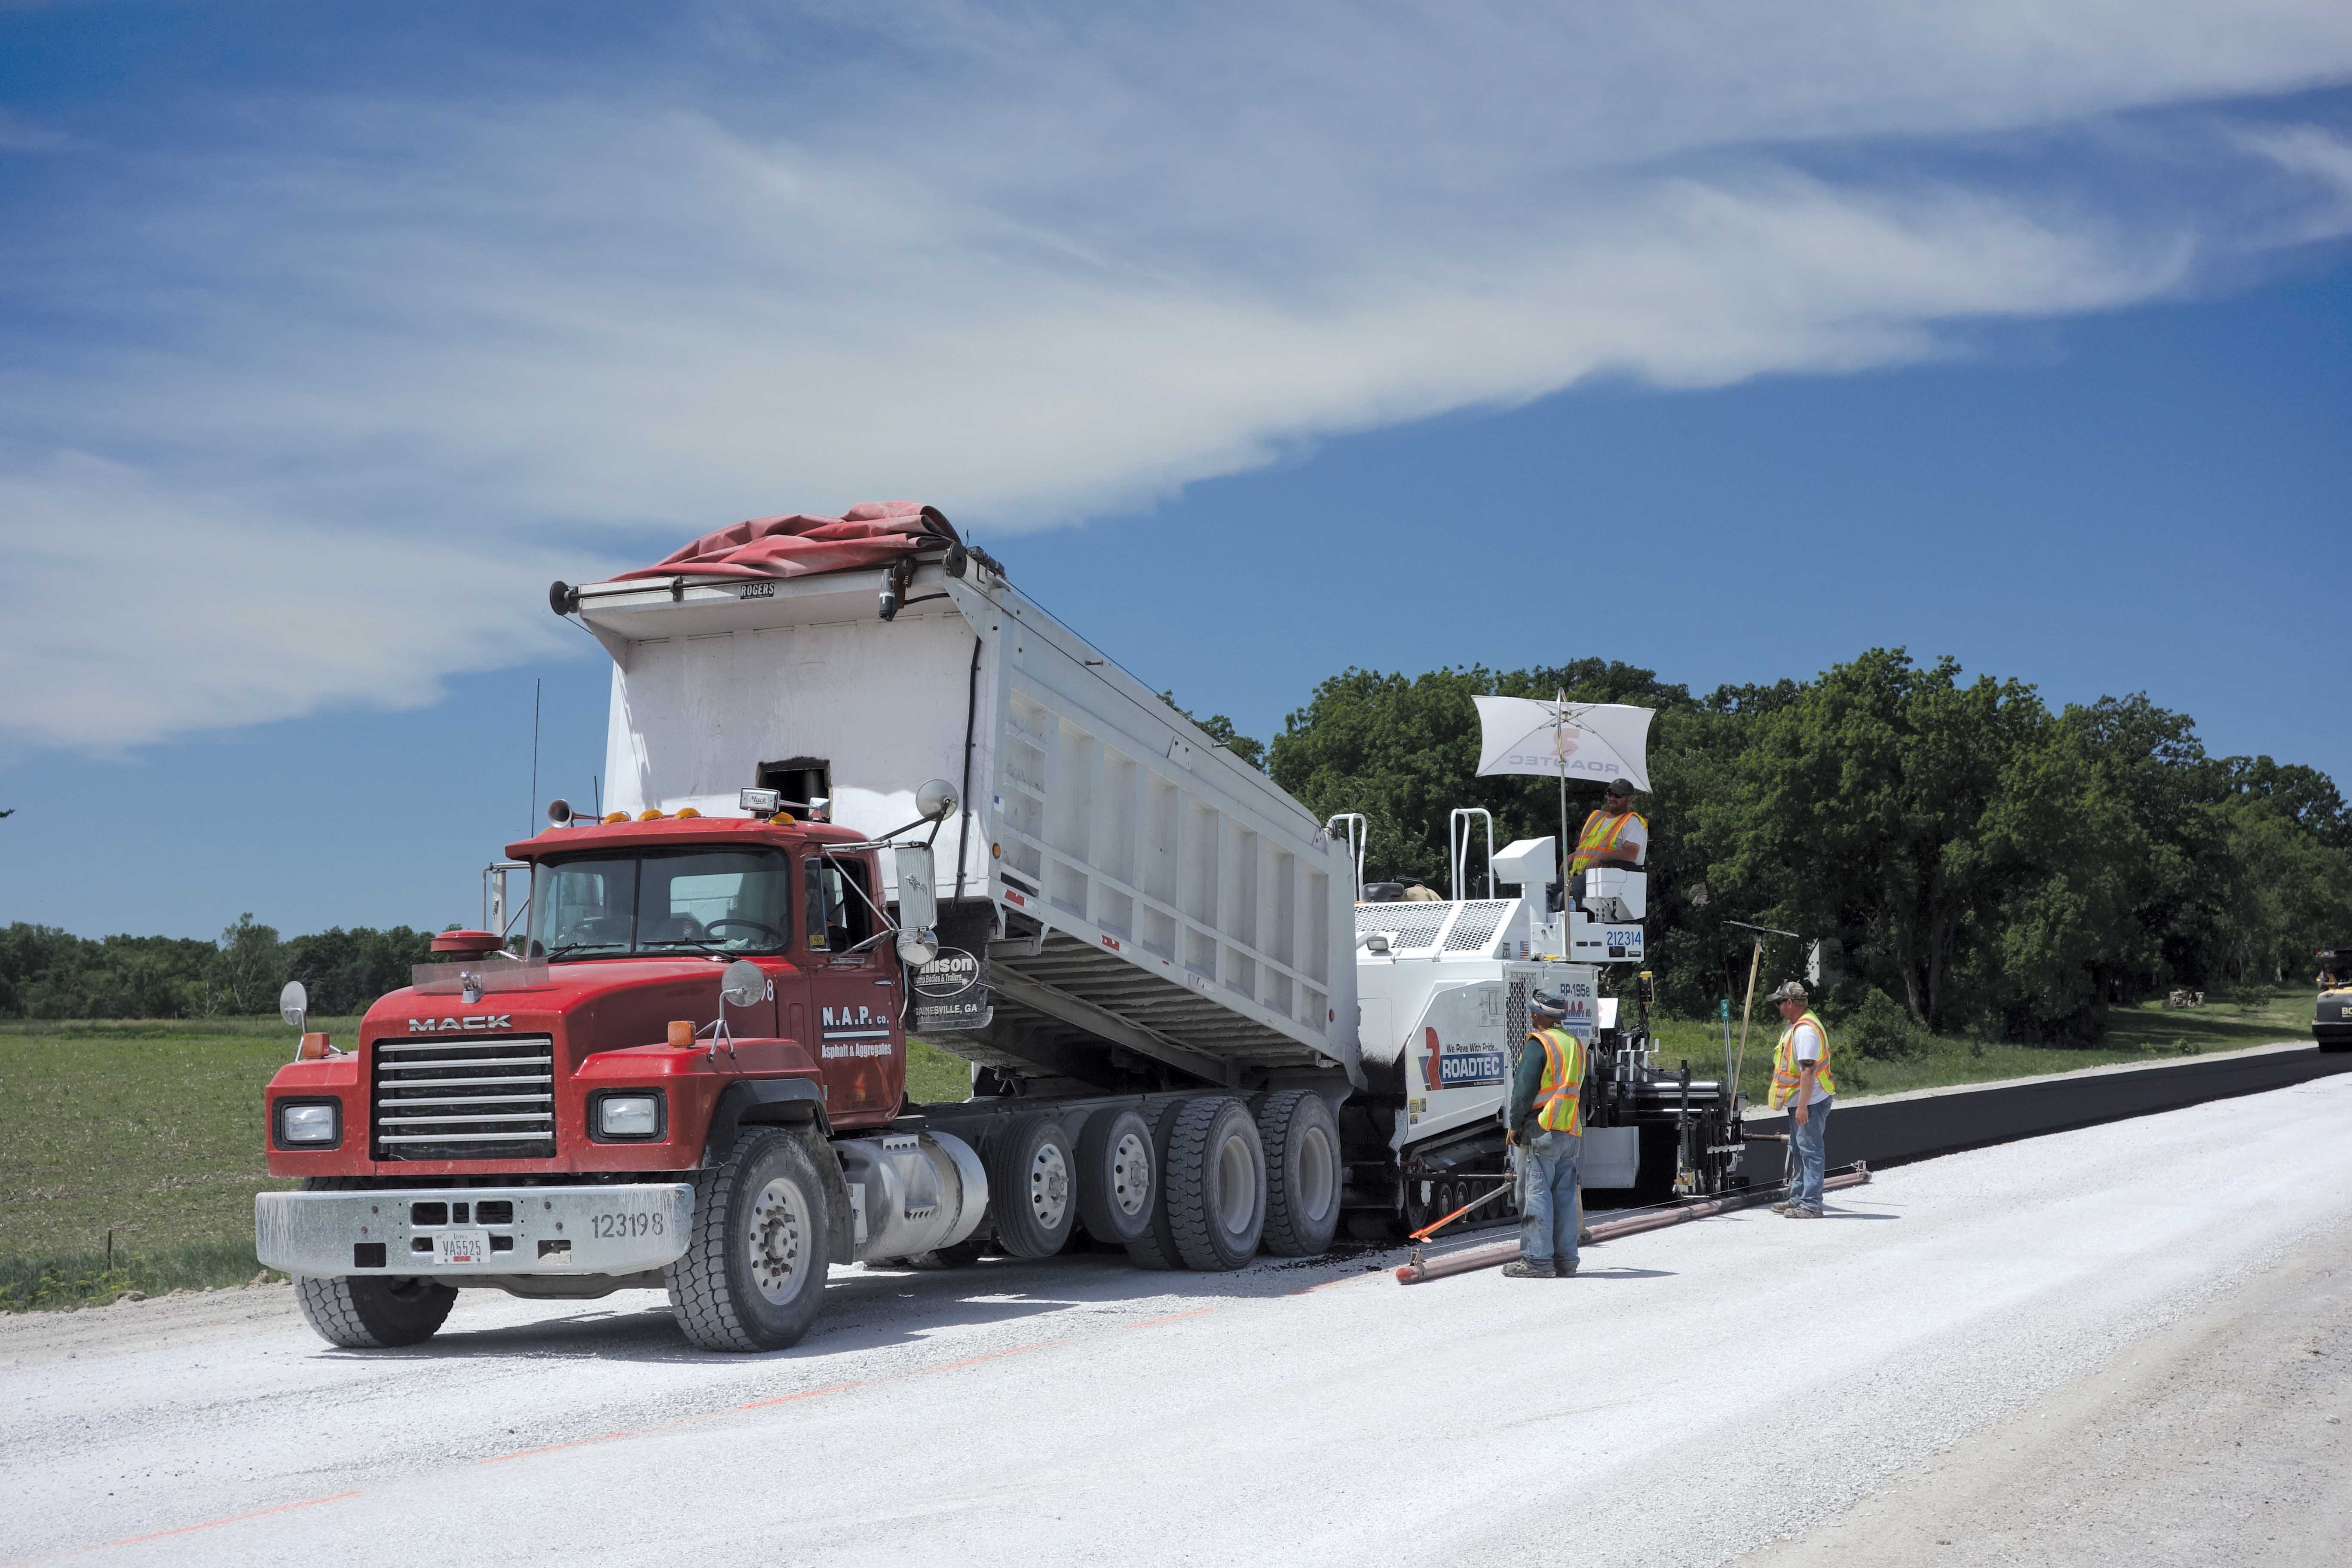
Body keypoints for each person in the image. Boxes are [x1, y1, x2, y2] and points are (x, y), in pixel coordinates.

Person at [1502, 989, 1586, 1277]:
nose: (1531, 1016)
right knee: (1563, 1196)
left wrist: (1515, 1125)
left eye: (1533, 1012)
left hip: (1542, 1127)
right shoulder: (1574, 1043)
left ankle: (1537, 1261)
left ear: (1539, 1016)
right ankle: (1566, 1261)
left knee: (1536, 1194)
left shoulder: (1540, 1044)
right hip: (1570, 1129)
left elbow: (1524, 1090)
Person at [1765, 980, 1836, 1218]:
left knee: (1811, 1151)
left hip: (1811, 1101)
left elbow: (1808, 1070)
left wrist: (1803, 1106)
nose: (1778, 1008)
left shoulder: (1805, 1030)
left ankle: (1812, 1205)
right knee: (1799, 1149)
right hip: (1802, 1101)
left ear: (1789, 1003)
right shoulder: (1795, 1025)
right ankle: (1798, 1199)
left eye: (1779, 1003)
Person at [1571, 778, 1648, 875]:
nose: (1612, 798)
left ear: (1630, 799)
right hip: (1575, 874)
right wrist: (1573, 856)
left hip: (1600, 877)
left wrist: (1602, 857)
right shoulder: (1597, 817)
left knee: (1557, 889)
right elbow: (1591, 847)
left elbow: (1631, 854)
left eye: (1617, 796)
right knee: (1549, 885)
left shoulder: (1632, 822)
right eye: (1610, 794)